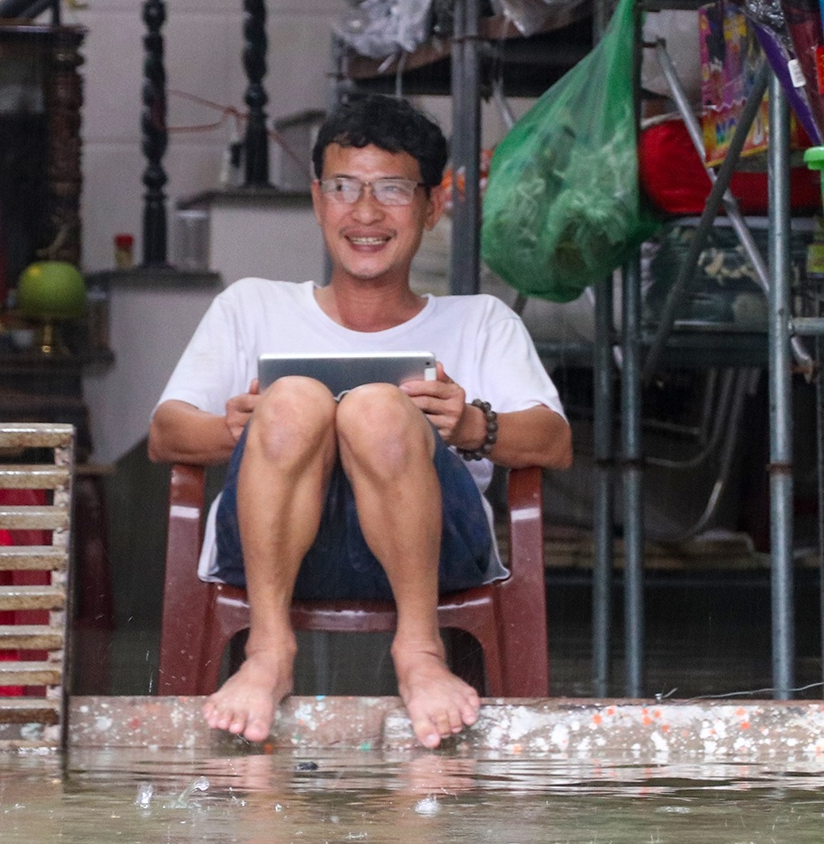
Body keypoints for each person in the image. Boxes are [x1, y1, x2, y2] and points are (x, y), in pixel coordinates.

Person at [148, 94, 574, 748]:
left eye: (392, 190)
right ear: (319, 200)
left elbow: (555, 440)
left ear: (433, 206)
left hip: (432, 553)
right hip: (270, 548)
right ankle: (268, 650)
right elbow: (167, 432)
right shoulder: (251, 306)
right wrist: (242, 430)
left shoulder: (481, 321)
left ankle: (419, 651)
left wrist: (472, 427)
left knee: (378, 406)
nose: (366, 213)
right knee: (293, 401)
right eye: (344, 188)